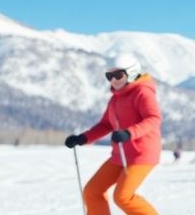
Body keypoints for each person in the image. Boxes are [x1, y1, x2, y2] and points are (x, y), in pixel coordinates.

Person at [64, 54, 162, 215]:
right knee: (92, 191)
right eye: (109, 76)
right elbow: (106, 124)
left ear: (132, 72)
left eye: (118, 75)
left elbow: (154, 119)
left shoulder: (142, 93)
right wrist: (83, 138)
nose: (113, 80)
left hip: (141, 154)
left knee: (123, 197)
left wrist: (129, 133)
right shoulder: (115, 99)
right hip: (120, 154)